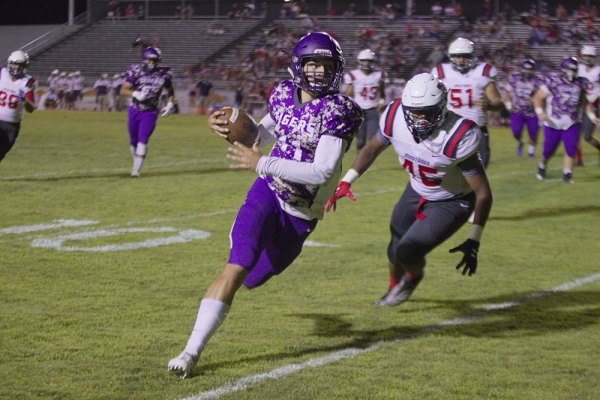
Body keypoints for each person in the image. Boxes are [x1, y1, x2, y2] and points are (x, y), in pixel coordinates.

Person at [167, 32, 363, 378]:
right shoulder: (284, 93)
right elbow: (263, 135)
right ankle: (190, 352)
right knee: (237, 264)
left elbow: (322, 171)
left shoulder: (340, 110)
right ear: (299, 66)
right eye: (312, 64)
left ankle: (215, 312)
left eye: (326, 65)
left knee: (254, 278)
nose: (318, 72)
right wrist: (225, 124)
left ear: (337, 69)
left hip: (301, 214)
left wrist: (261, 162)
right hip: (267, 192)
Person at [326, 73, 493, 306]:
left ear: (443, 107)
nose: (421, 120)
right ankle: (394, 287)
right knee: (395, 244)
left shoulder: (458, 135)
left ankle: (413, 276)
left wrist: (474, 238)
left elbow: (483, 193)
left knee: (408, 250)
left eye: (428, 112)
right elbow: (371, 149)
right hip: (417, 188)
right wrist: (347, 181)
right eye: (416, 112)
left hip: (452, 200)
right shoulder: (394, 115)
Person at [431, 37, 504, 167]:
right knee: (446, 171)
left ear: (472, 56)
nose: (461, 60)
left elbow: (498, 103)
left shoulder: (483, 71)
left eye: (465, 56)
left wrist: (489, 106)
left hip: (476, 129)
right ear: (451, 56)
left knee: (478, 172)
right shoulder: (440, 72)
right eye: (457, 56)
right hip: (449, 129)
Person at [533, 56, 599, 184]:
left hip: (572, 122)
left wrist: (592, 117)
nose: (572, 72)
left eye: (574, 69)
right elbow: (537, 98)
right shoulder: (552, 80)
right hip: (553, 122)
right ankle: (541, 167)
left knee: (571, 148)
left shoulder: (581, 82)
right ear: (563, 69)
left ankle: (567, 174)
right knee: (548, 150)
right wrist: (540, 112)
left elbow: (585, 102)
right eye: (569, 69)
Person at [120, 47, 175, 177]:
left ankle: (135, 170)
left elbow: (170, 90)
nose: (152, 62)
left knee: (142, 139)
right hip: (134, 109)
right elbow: (123, 90)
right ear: (144, 59)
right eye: (150, 59)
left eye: (155, 60)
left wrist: (170, 104)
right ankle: (136, 162)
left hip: (150, 111)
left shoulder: (163, 73)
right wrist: (136, 93)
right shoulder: (135, 71)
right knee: (133, 140)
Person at [343, 48, 386, 154]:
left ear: (373, 62)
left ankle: (367, 160)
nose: (366, 63)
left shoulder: (379, 75)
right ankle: (359, 162)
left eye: (369, 61)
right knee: (360, 141)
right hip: (359, 110)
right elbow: (348, 92)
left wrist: (381, 101)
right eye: (364, 60)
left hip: (373, 109)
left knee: (373, 138)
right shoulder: (353, 75)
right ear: (359, 61)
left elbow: (382, 93)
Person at [0, 50, 37, 163]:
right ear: (9, 63)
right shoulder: (2, 73)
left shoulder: (27, 82)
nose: (16, 67)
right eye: (15, 64)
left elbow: (31, 109)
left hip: (12, 125)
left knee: (1, 153)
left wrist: (25, 101)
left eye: (20, 65)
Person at [504, 59, 541, 157]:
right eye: (526, 69)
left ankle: (531, 152)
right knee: (516, 132)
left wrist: (535, 100)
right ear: (522, 69)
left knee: (533, 134)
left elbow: (541, 94)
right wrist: (508, 105)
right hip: (517, 110)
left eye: (530, 69)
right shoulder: (515, 78)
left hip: (532, 112)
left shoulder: (537, 80)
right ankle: (520, 142)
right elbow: (507, 91)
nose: (527, 71)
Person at [576, 45, 600, 165]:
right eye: (587, 56)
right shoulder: (578, 68)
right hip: (578, 104)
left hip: (593, 103)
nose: (589, 58)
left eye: (591, 56)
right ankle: (578, 159)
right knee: (574, 133)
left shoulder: (598, 70)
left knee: (587, 136)